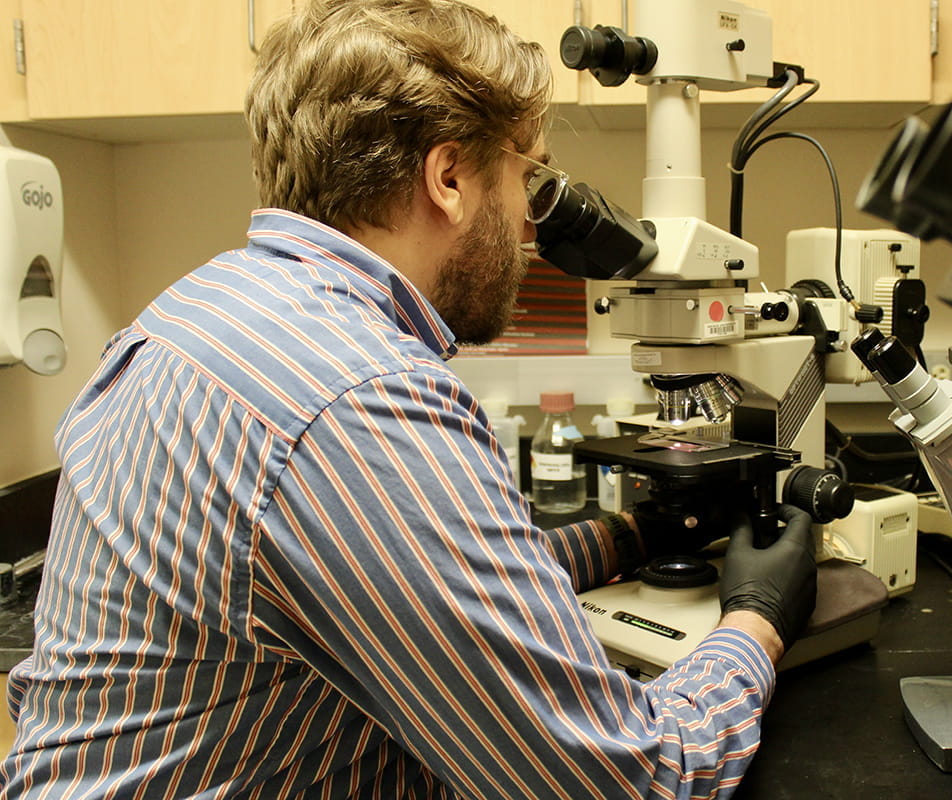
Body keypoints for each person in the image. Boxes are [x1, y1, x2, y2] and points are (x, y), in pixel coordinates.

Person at [0, 1, 817, 797]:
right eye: (525, 178)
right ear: (450, 176)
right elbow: (629, 780)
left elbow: (418, 591)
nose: (533, 226)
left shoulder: (192, 313)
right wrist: (754, 619)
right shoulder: (359, 397)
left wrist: (631, 535)